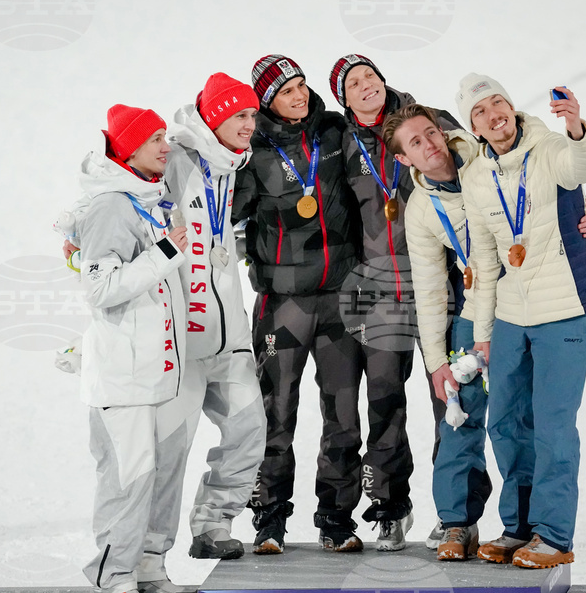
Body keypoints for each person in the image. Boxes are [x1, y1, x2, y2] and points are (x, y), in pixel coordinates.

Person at [383, 103, 586, 561]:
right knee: (460, 412)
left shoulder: (487, 158)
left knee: (521, 420)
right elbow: (428, 288)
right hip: (475, 305)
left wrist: (575, 216)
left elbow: (547, 184)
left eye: (431, 133)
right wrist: (436, 362)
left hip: (525, 299)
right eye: (416, 143)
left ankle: (532, 528)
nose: (430, 144)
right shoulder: (420, 210)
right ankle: (458, 523)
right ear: (404, 159)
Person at [456, 74, 586, 569]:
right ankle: (518, 528)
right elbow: (483, 257)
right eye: (480, 111)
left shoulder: (549, 146)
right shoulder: (476, 177)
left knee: (553, 426)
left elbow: (584, 167)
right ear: (474, 127)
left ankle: (553, 535)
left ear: (512, 107)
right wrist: (483, 335)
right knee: (505, 423)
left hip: (563, 309)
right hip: (510, 317)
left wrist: (576, 127)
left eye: (498, 102)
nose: (493, 114)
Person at [327, 54, 462, 551]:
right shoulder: (342, 142)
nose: (366, 85)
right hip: (381, 291)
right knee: (384, 402)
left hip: (440, 284)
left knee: (452, 401)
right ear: (344, 100)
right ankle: (389, 509)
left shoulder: (428, 121)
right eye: (353, 83)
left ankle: (456, 515)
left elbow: (486, 174)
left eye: (370, 75)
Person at [233, 55, 365, 554]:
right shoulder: (253, 149)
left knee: (343, 414)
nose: (300, 94)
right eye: (287, 90)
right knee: (275, 414)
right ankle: (269, 519)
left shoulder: (333, 131)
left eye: (302, 84)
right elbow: (222, 209)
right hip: (282, 302)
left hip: (340, 298)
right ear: (267, 101)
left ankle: (336, 518)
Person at [76, 104, 189, 593]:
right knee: (129, 480)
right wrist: (163, 252)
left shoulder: (149, 199)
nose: (165, 147)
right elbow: (99, 289)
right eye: (154, 140)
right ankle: (115, 580)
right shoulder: (111, 207)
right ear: (127, 150)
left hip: (159, 374)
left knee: (163, 475)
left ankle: (148, 569)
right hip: (123, 380)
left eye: (165, 136)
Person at [155, 73, 267, 562]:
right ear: (216, 117)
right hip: (181, 342)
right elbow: (119, 195)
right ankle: (148, 559)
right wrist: (76, 235)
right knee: (167, 455)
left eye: (252, 115)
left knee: (249, 431)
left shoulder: (231, 165)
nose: (249, 124)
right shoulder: (175, 160)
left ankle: (213, 525)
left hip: (228, 335)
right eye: (239, 115)